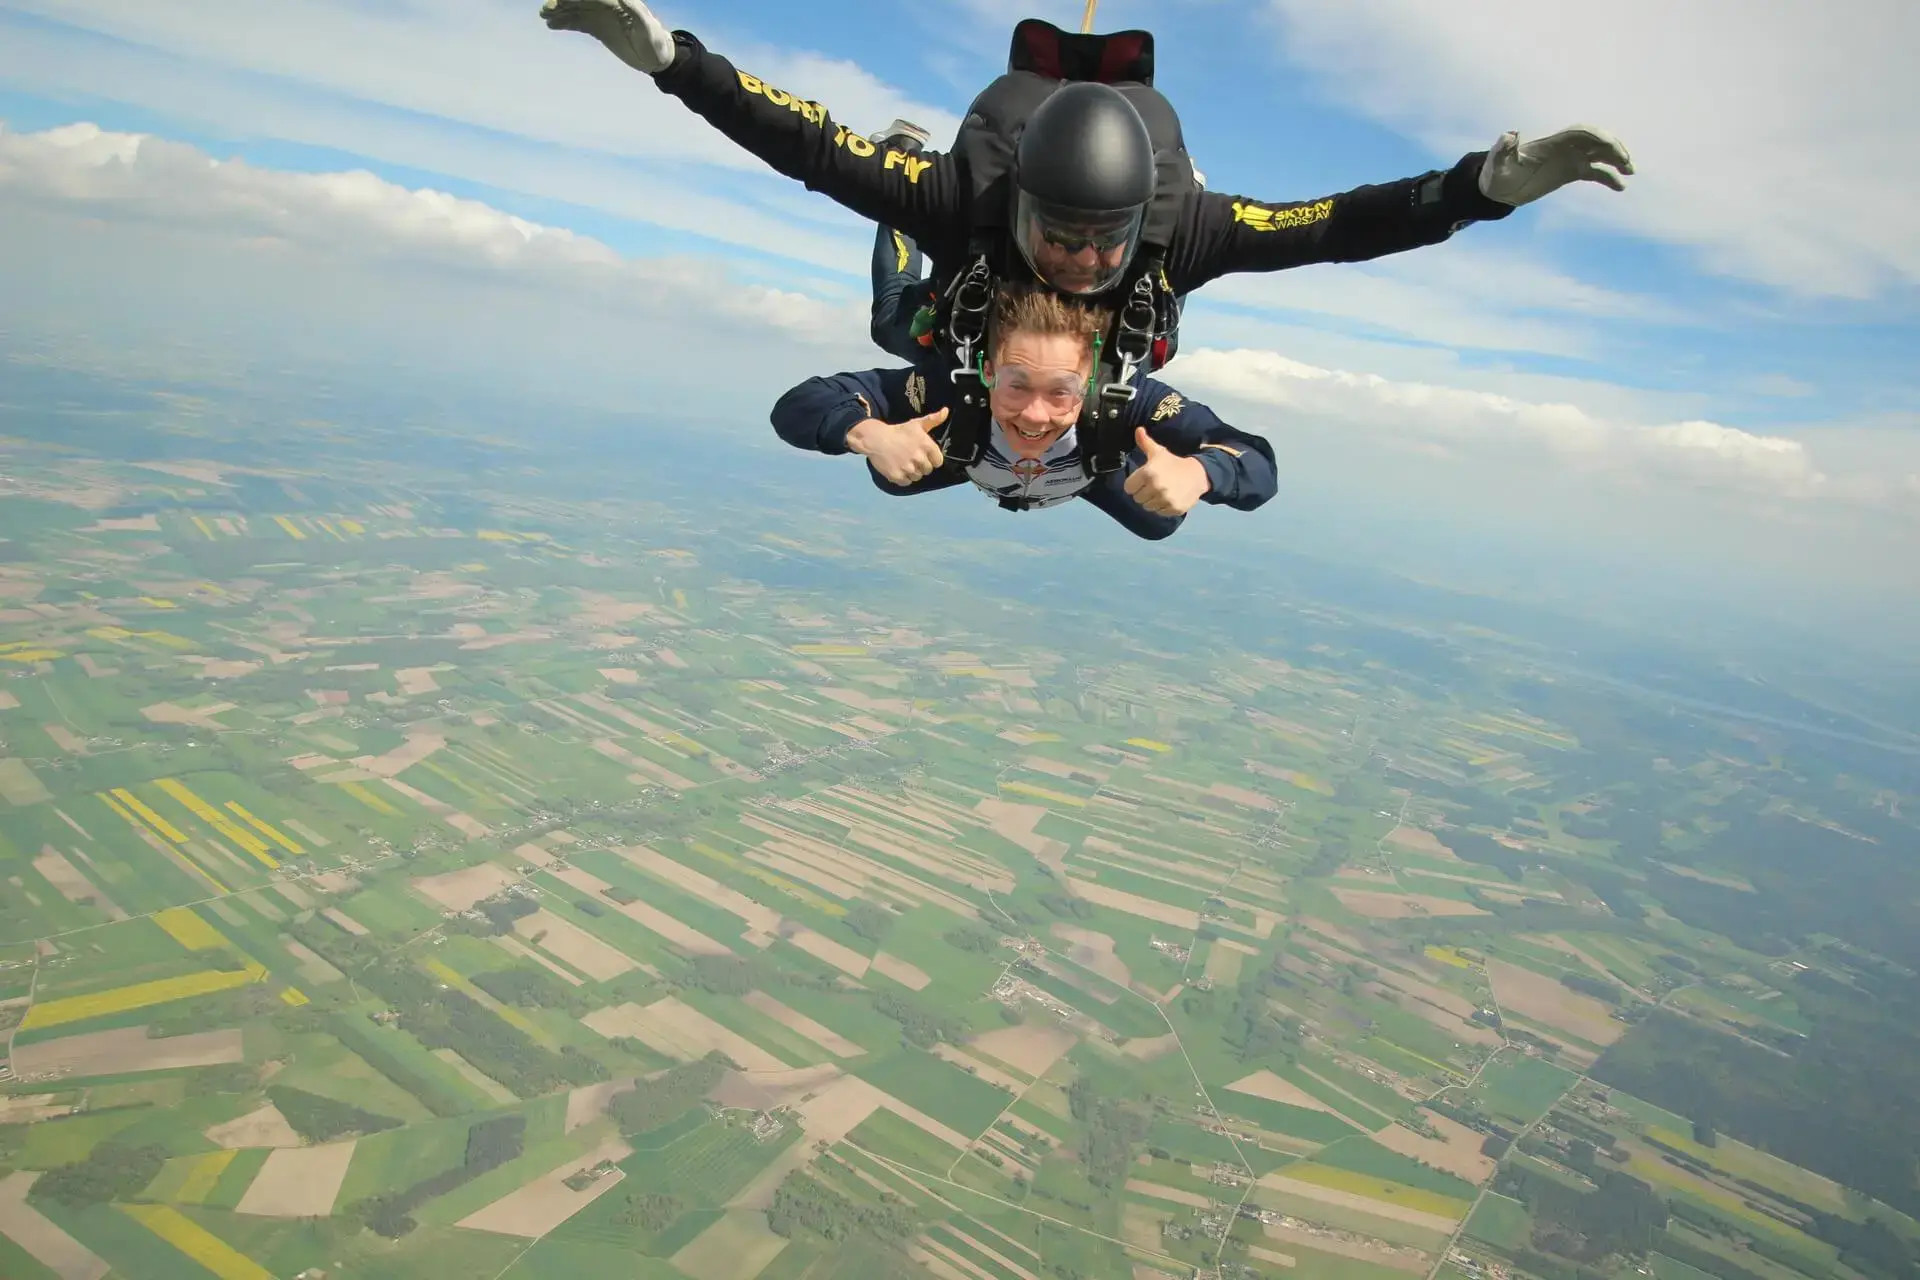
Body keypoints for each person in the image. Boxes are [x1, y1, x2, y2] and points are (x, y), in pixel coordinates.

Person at [539, 0, 1632, 311]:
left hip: (1093, 162)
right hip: (974, 168)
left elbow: (1338, 227)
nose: (1072, 258)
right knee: (898, 295)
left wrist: (1482, 190)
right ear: (1021, 204)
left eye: (1093, 240)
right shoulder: (967, 194)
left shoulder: (1180, 229)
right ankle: (903, 180)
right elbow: (808, 142)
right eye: (1056, 234)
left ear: (1135, 221)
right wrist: (671, 58)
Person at [769, 284, 1277, 541]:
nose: (1035, 416)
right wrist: (868, 433)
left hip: (1092, 468)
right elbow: (798, 404)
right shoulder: (953, 389)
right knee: (893, 468)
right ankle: (901, 156)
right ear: (988, 371)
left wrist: (1199, 472)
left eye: (1061, 391)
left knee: (1159, 520)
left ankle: (1166, 270)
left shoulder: (1128, 400)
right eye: (1016, 385)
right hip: (971, 449)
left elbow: (1256, 463)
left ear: (1092, 383)